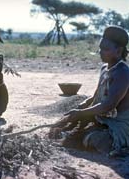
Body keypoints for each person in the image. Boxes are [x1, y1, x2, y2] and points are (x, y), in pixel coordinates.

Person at [49, 26, 129, 155]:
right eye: (100, 48)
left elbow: (108, 106)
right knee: (62, 126)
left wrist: (81, 114)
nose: (100, 52)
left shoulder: (123, 73)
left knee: (92, 139)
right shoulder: (104, 68)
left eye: (106, 49)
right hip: (103, 118)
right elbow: (95, 97)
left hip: (118, 124)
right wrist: (79, 108)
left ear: (119, 51)